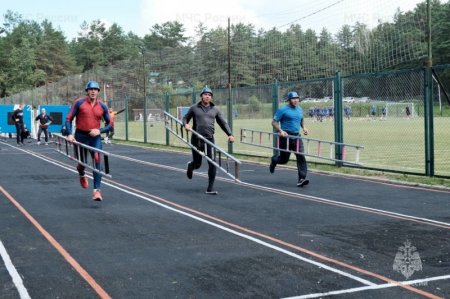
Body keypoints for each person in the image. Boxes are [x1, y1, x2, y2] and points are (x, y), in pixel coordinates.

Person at [64, 80, 111, 201]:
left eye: (95, 89)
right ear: (87, 91)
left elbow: (110, 124)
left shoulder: (102, 106)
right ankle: (81, 172)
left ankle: (97, 191)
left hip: (94, 137)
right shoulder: (79, 103)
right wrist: (69, 134)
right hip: (80, 136)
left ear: (98, 92)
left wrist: (100, 130)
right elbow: (69, 119)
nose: (93, 91)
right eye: (91, 89)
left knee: (97, 160)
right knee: (82, 162)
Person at [182, 86, 235, 195]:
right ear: (201, 96)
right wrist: (185, 124)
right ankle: (191, 166)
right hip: (196, 139)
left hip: (209, 140)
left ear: (211, 97)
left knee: (212, 163)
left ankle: (209, 189)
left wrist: (230, 134)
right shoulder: (194, 108)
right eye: (205, 94)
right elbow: (185, 118)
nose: (207, 96)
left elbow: (223, 123)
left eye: (209, 95)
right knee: (198, 164)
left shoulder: (215, 109)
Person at [270, 91, 309, 187]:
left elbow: (301, 119)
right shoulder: (283, 109)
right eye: (293, 99)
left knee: (301, 157)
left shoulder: (300, 109)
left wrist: (304, 127)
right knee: (284, 160)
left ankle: (301, 178)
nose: (295, 100)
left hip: (296, 137)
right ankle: (274, 160)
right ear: (289, 100)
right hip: (285, 137)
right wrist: (280, 131)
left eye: (297, 98)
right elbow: (274, 122)